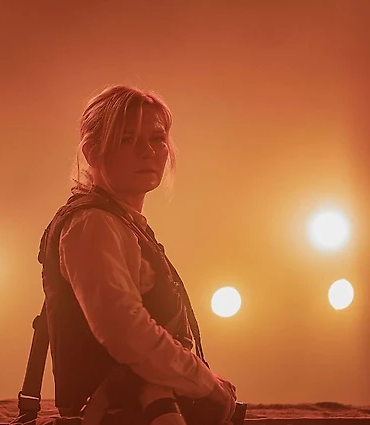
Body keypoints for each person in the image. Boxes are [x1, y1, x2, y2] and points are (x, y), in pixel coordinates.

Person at [16, 85, 238, 425]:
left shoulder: (120, 223)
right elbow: (125, 331)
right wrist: (204, 382)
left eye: (157, 139)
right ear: (92, 152)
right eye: (126, 139)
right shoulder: (92, 225)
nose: (147, 151)